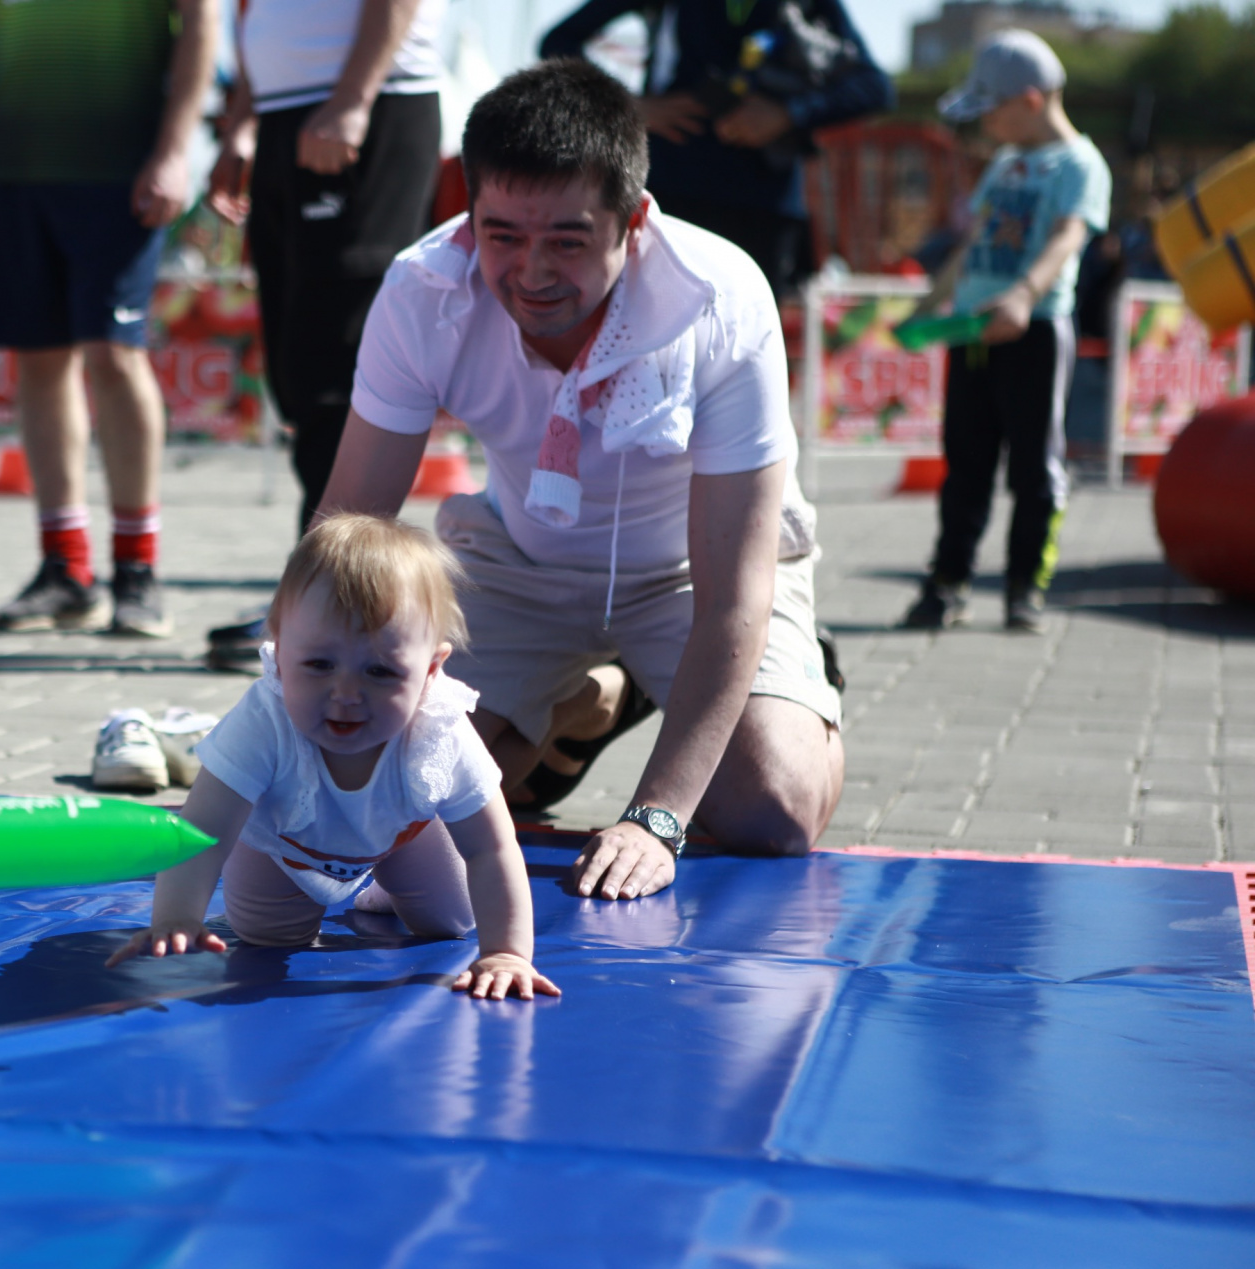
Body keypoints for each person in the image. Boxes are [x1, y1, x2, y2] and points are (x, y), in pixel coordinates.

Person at [317, 60, 845, 901]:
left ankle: (783, 682)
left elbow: (733, 595)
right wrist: (286, 719)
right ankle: (590, 701)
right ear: (469, 213)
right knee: (402, 800)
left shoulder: (722, 298)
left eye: (567, 239)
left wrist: (657, 817)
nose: (531, 273)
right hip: (521, 563)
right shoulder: (424, 291)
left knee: (771, 811)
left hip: (693, 573)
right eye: (502, 236)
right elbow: (346, 529)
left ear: (633, 222)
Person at [106, 515, 560, 1002]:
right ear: (279, 657)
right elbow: (201, 833)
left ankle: (384, 889)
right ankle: (326, 894)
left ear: (430, 671)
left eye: (381, 672)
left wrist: (508, 952)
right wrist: (177, 918)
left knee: (451, 923)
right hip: (280, 850)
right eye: (319, 665)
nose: (346, 694)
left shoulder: (439, 731)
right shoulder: (264, 723)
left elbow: (491, 848)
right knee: (270, 938)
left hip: (402, 837)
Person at [0, 0, 216, 638]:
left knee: (114, 354)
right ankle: (65, 570)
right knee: (38, 358)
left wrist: (175, 149)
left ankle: (137, 570)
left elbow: (202, 20)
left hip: (120, 168)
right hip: (12, 165)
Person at [203, 0, 448, 669]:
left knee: (342, 366)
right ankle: (320, 594)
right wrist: (242, 121)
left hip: (364, 106)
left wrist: (352, 98)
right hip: (289, 114)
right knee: (301, 372)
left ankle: (337, 603)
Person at [900, 30, 1110, 635]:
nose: (984, 125)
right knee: (964, 463)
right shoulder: (1004, 164)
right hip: (972, 332)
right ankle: (947, 583)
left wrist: (1023, 294)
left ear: (1030, 99)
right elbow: (974, 245)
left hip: (1034, 331)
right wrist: (926, 306)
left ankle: (1024, 589)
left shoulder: (1080, 165)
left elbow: (1070, 236)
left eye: (989, 111)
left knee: (1034, 468)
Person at [539, 0, 890, 297]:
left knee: (746, 346)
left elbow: (874, 86)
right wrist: (627, 105)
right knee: (651, 343)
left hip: (765, 205)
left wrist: (788, 114)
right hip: (672, 194)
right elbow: (558, 42)